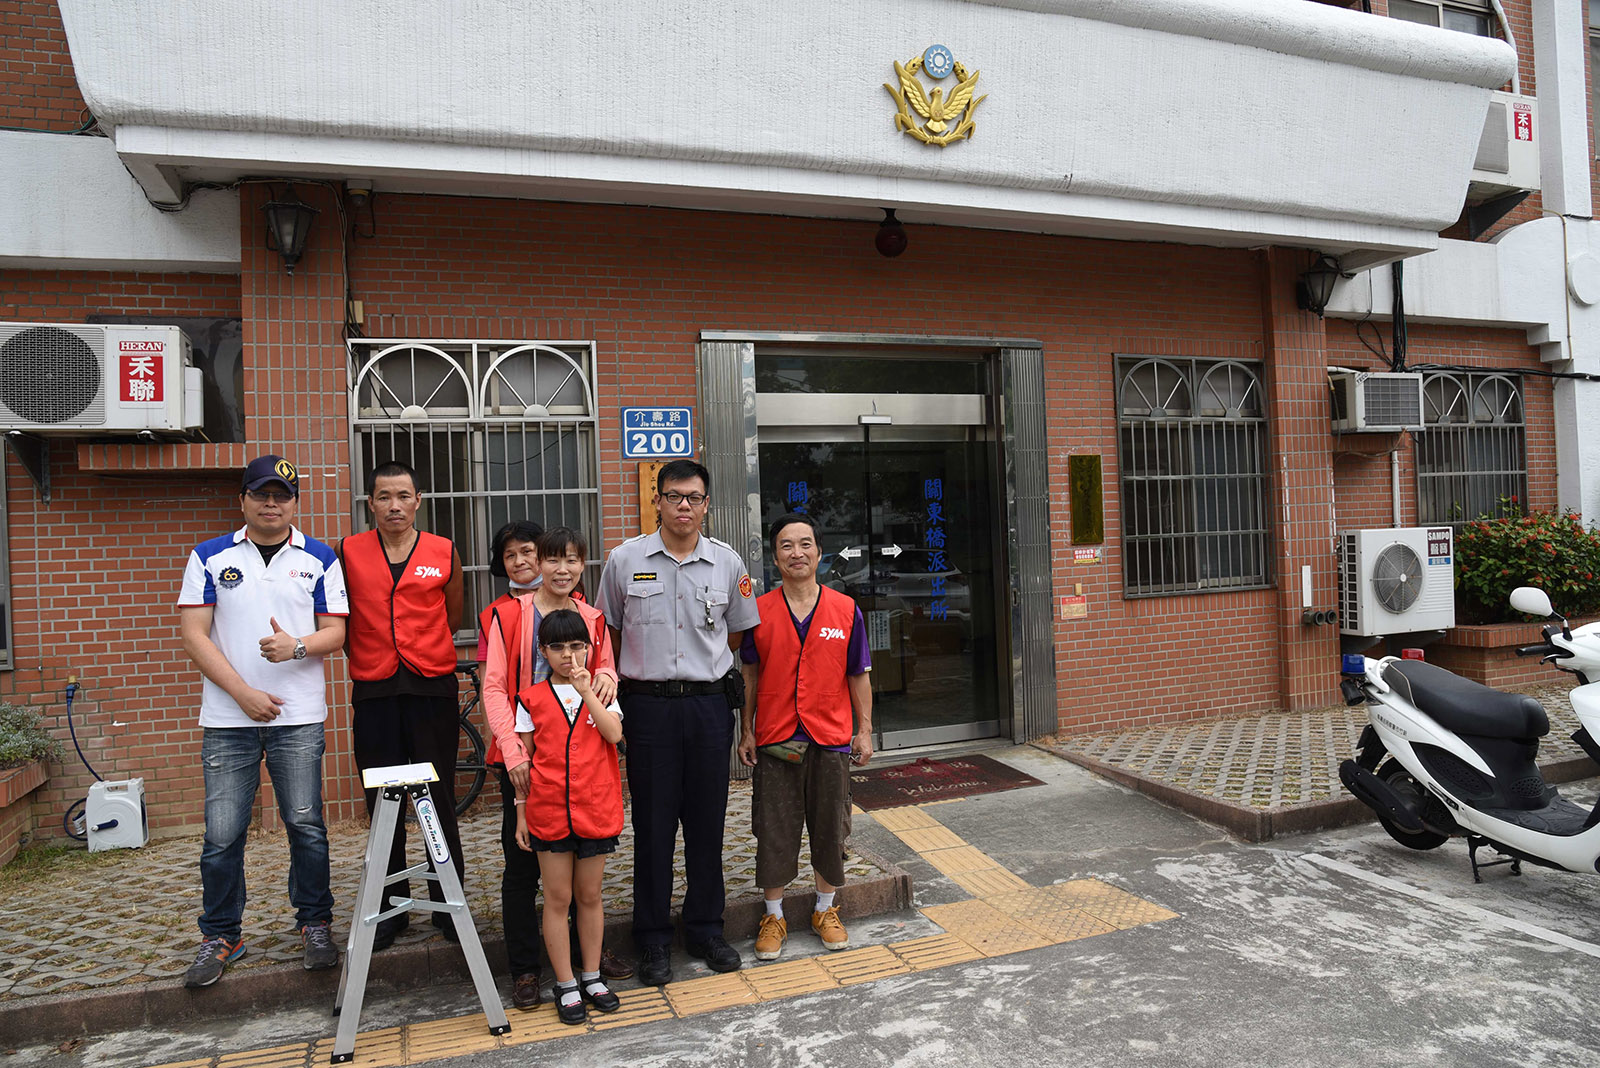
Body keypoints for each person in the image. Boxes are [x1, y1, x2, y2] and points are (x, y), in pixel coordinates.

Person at [177, 454, 348, 987]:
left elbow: (335, 634)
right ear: (244, 499)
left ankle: (315, 924)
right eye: (261, 494)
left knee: (305, 825)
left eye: (282, 495)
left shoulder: (319, 557)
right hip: (229, 719)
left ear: (294, 503)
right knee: (223, 835)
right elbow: (194, 634)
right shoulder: (208, 556)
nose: (272, 503)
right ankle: (221, 934)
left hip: (298, 717)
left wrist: (295, 646)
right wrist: (244, 693)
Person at [596, 458, 759, 985]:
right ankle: (653, 939)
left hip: (709, 707)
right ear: (658, 501)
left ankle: (707, 929)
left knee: (708, 824)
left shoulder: (729, 563)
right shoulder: (624, 560)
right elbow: (610, 634)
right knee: (654, 826)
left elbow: (736, 636)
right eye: (674, 496)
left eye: (694, 497)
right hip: (647, 709)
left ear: (707, 504)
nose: (684, 505)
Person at [479, 523, 630, 1007]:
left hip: (585, 759)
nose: (562, 570)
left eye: (571, 560)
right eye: (552, 560)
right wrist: (513, 752)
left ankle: (590, 963)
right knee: (524, 867)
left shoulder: (593, 617)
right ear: (536, 565)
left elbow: (606, 666)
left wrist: (604, 673)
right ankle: (527, 969)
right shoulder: (507, 616)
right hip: (528, 757)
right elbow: (496, 687)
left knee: (584, 870)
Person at [339, 461, 465, 949]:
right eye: (384, 496)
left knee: (437, 798)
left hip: (431, 686)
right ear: (370, 503)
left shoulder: (443, 550)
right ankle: (390, 908)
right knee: (383, 802)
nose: (394, 505)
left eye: (404, 496)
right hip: (374, 689)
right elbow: (343, 618)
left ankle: (447, 903)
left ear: (418, 501)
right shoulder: (347, 552)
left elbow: (451, 615)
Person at [737, 513, 873, 961]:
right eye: (787, 546)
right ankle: (773, 914)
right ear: (774, 557)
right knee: (774, 828)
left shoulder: (845, 609)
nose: (797, 553)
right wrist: (747, 730)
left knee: (830, 826)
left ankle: (824, 909)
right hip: (777, 737)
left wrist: (864, 730)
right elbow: (750, 675)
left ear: (819, 552)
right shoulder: (758, 611)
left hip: (830, 736)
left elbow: (858, 674)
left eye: (806, 544)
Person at [512, 609, 626, 1025]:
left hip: (595, 807)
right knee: (557, 899)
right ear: (543, 651)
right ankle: (565, 982)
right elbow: (524, 760)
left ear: (589, 647)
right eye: (557, 647)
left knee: (590, 896)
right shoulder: (529, 698)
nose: (569, 655)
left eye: (577, 646)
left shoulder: (606, 692)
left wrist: (587, 691)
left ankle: (593, 976)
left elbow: (613, 735)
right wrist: (520, 813)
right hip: (548, 810)